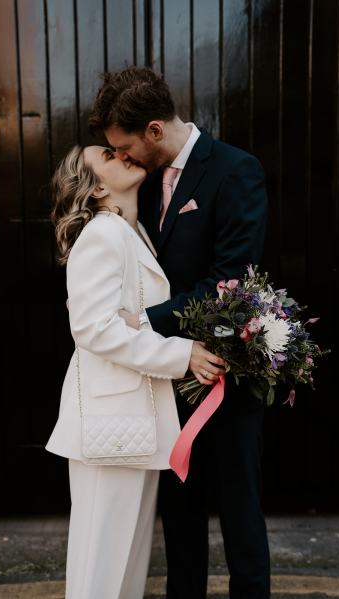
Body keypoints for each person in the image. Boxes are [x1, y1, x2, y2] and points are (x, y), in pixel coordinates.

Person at [88, 66, 270, 599]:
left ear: (153, 132)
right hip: (165, 375)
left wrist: (144, 323)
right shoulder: (137, 184)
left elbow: (228, 280)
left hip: (226, 376)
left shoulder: (237, 171)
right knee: (180, 512)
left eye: (124, 147)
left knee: (239, 507)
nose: (121, 159)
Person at [45, 144, 224, 599]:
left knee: (126, 564)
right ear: (99, 186)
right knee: (101, 566)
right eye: (108, 154)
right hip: (110, 423)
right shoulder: (102, 234)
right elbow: (93, 328)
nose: (123, 152)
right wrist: (181, 355)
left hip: (134, 423)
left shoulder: (134, 232)